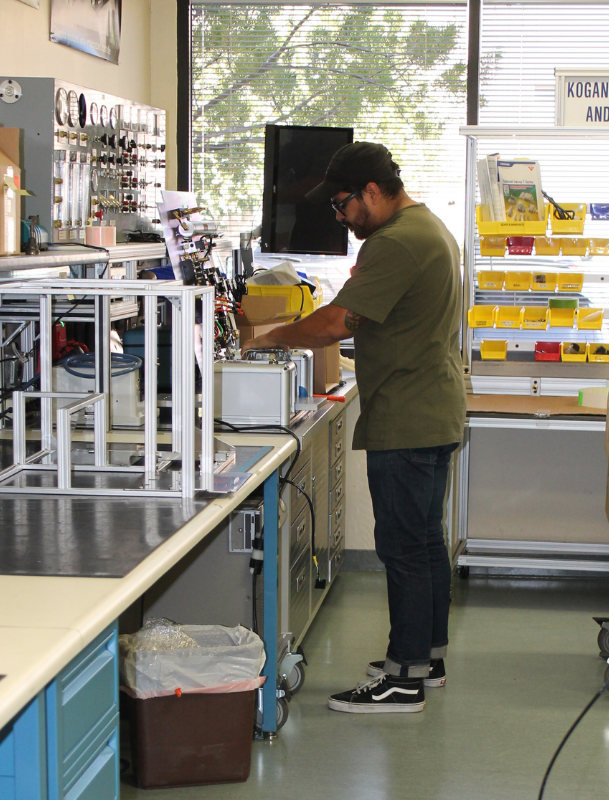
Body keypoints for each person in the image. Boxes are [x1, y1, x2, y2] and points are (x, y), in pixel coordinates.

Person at [242, 141, 466, 714]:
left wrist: (265, 338)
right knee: (422, 540)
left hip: (408, 415)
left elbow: (339, 320)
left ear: (372, 191)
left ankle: (403, 677)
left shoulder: (398, 242)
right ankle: (426, 658)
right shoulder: (428, 228)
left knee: (403, 546)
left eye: (343, 204)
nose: (339, 216)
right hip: (429, 406)